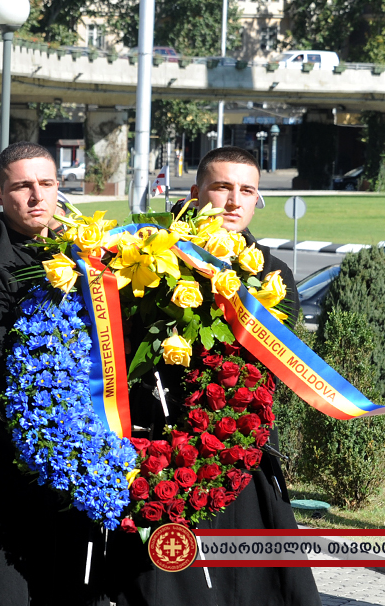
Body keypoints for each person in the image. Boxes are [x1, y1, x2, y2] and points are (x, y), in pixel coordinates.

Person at [110, 145, 313, 606]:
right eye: (222, 187)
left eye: (247, 191)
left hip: (238, 446)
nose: (234, 201)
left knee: (248, 588)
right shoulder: (148, 259)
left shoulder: (273, 275)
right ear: (196, 191)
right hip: (162, 448)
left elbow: (268, 364)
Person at [0, 141, 108, 603]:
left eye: (47, 184)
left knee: (63, 576)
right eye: (22, 186)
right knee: (1, 582)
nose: (37, 197)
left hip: (74, 440)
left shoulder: (85, 254)